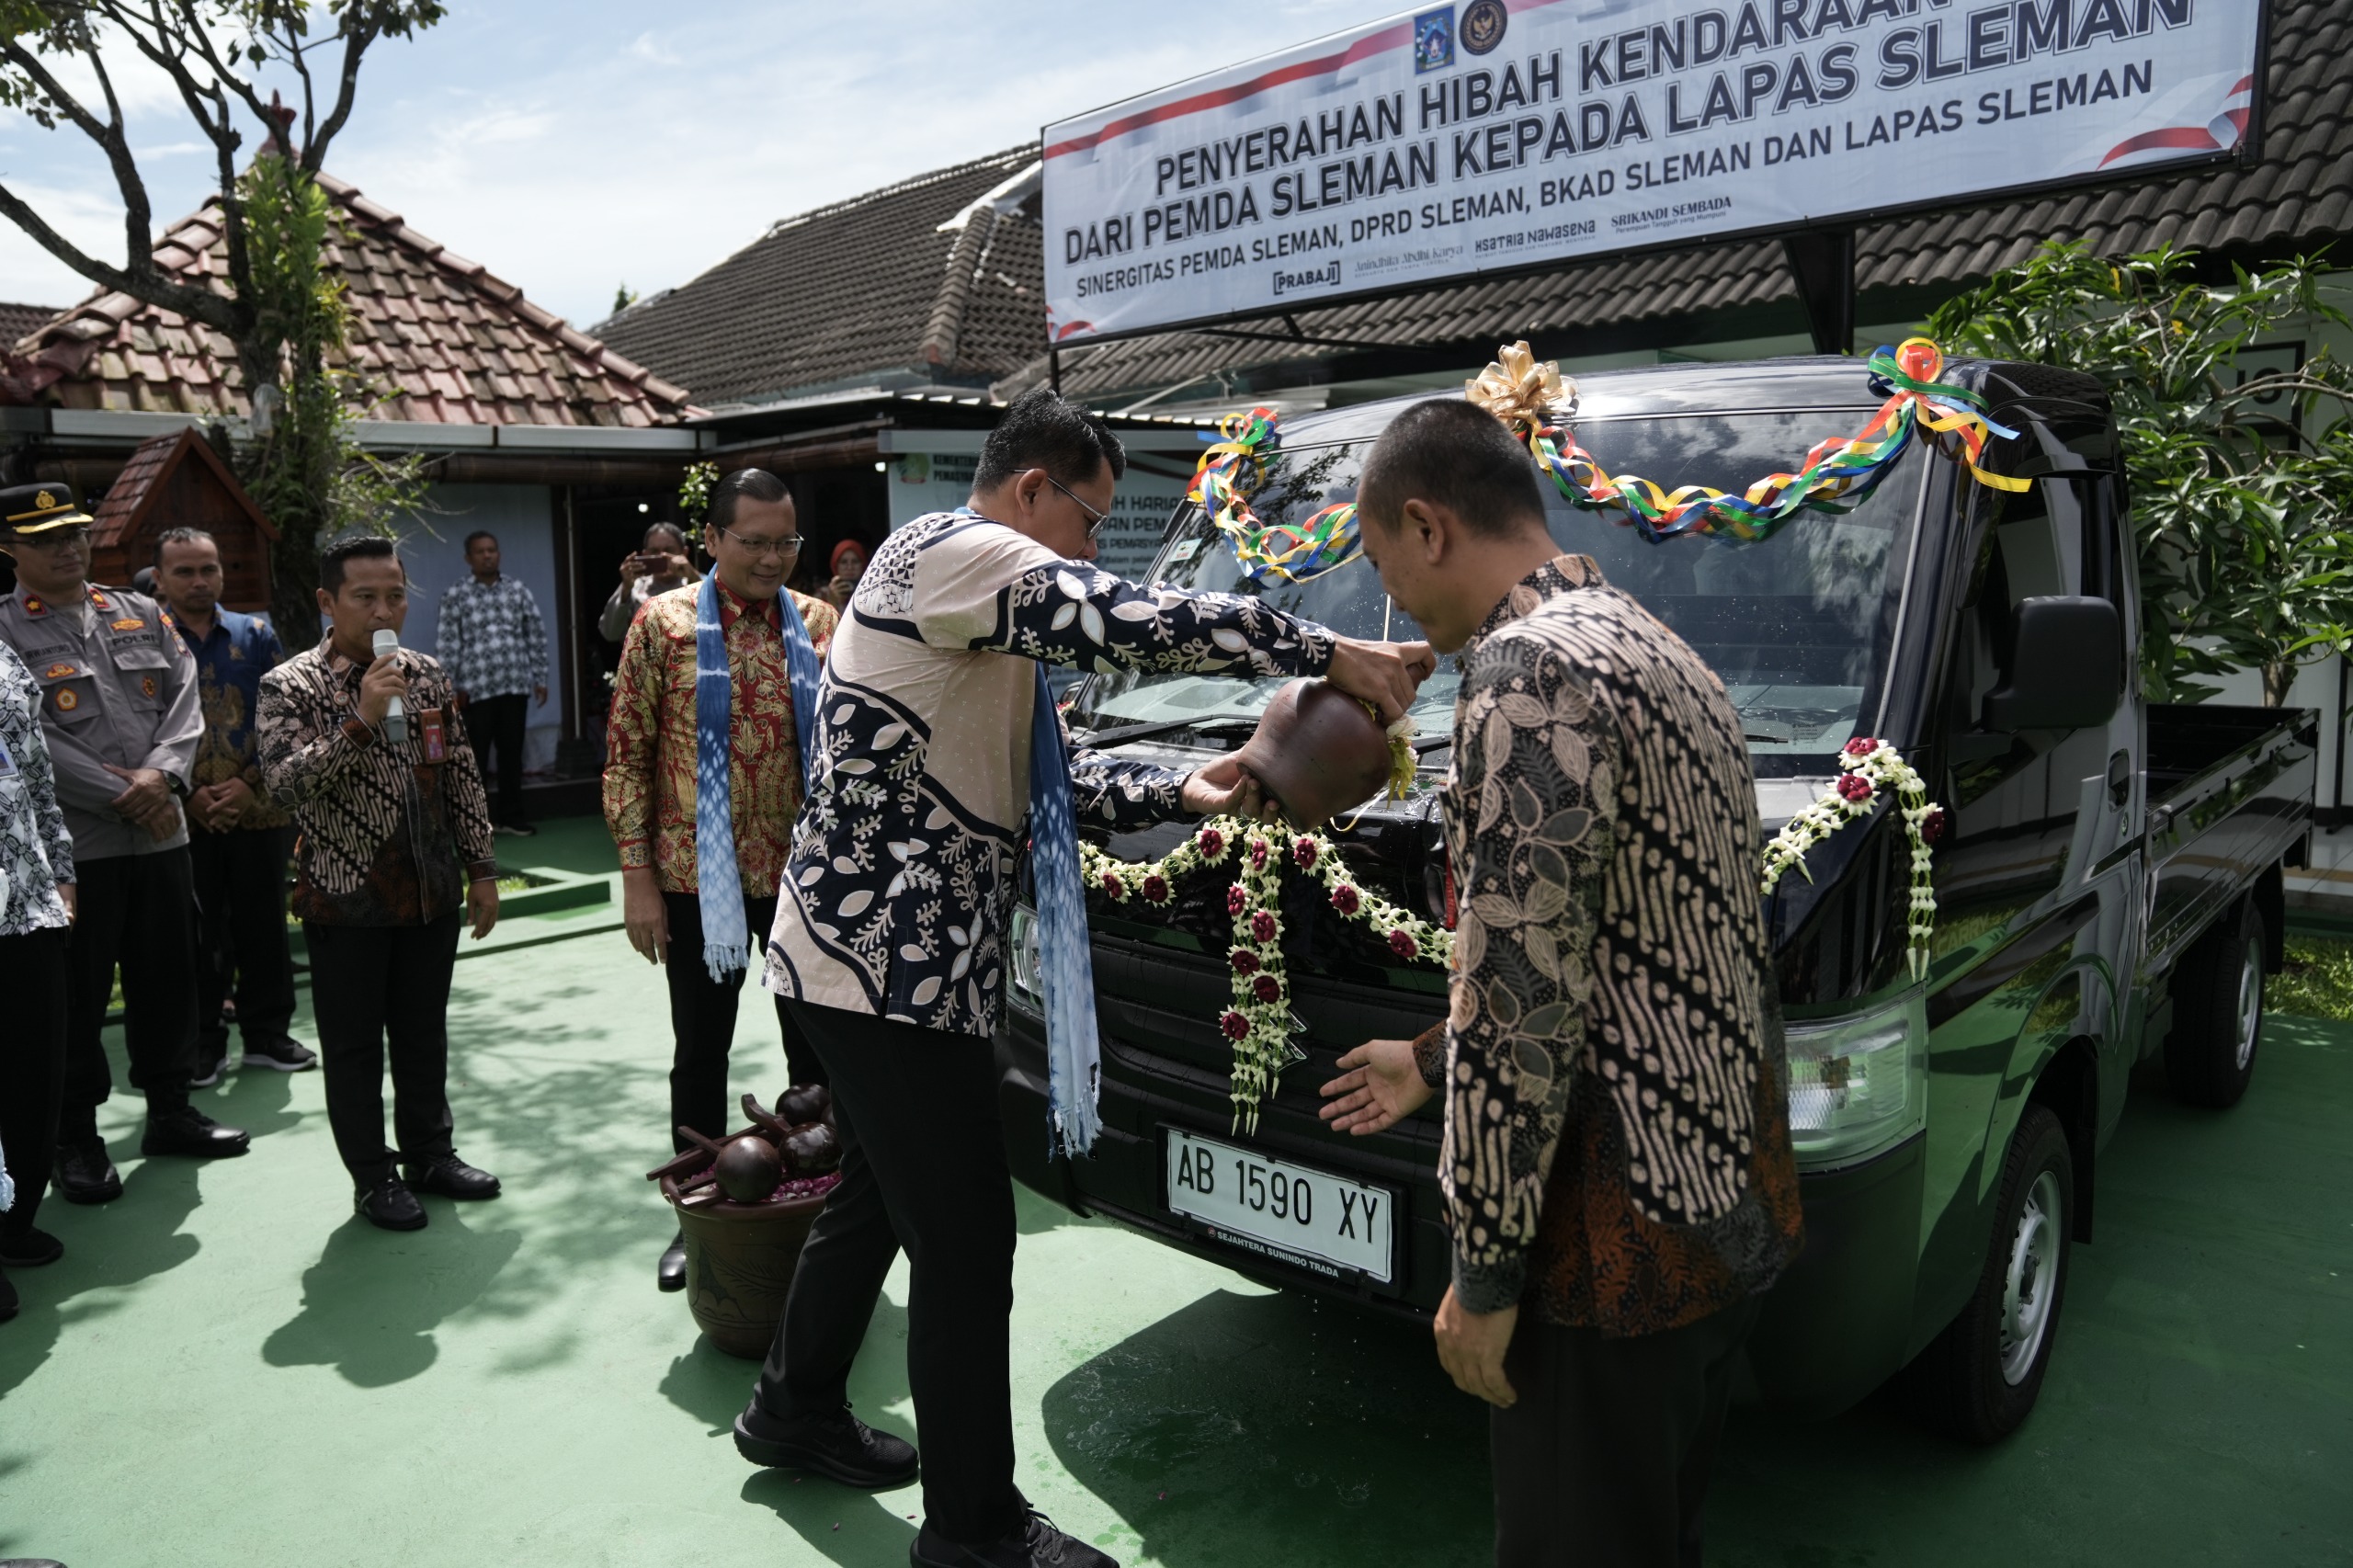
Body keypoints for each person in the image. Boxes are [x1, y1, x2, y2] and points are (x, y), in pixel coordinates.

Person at [749, 391, 1432, 1568]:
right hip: (883, 974)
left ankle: (791, 1405)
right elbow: (1119, 618)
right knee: (964, 1245)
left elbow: (1050, 784)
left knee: (877, 1197)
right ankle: (971, 1531)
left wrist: (1186, 789)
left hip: (870, 966)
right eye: (1088, 518)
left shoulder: (980, 617)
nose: (1091, 545)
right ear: (1031, 490)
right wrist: (1326, 649)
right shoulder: (950, 554)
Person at [1318, 399, 1803, 1568]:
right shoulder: (1653, 643)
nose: (1395, 605)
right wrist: (1428, 1059)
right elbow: (1636, 944)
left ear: (1428, 526)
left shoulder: (1528, 673)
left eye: (1384, 566)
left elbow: (1527, 1001)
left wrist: (1482, 1271)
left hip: (1608, 1238)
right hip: (1725, 1203)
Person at [603, 469, 839, 1292]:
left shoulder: (817, 622)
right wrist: (636, 877)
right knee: (701, 1050)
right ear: (712, 541)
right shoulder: (660, 625)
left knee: (814, 1051)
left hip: (804, 876)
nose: (773, 558)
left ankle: (822, 1207)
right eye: (755, 543)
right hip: (694, 881)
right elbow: (628, 751)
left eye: (787, 543)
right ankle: (697, 1207)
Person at [0, 483, 248, 1206]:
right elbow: (26, 738)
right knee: (75, 996)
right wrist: (122, 793)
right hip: (80, 850)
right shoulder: (6, 632)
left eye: (73, 533)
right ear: (9, 549)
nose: (67, 547)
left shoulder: (139, 611)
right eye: (45, 539)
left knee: (171, 973)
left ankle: (170, 1110)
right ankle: (75, 1136)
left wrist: (162, 776)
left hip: (162, 836)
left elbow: (185, 698)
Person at [257, 534, 504, 1233]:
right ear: (328, 603)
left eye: (394, 594)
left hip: (430, 892)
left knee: (424, 1036)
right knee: (357, 1046)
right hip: (345, 899)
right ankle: (373, 1177)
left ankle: (431, 1154)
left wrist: (480, 869)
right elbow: (281, 787)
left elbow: (458, 772)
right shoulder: (291, 685)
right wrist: (361, 718)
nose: (382, 608)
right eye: (364, 597)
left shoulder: (424, 673)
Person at [153, 527, 315, 1085]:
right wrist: (187, 792)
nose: (199, 581)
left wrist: (248, 784)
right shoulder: (144, 639)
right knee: (192, 933)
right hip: (176, 814)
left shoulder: (258, 634)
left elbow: (284, 716)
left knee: (263, 925)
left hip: (257, 807)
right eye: (185, 571)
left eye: (209, 569)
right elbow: (135, 728)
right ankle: (202, 1041)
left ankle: (268, 1034)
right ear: (160, 579)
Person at [0, 635, 77, 1311]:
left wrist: (62, 872)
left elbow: (34, 775)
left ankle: (12, 1216)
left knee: (33, 1072)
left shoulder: (3, 657)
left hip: (25, 906)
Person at [436, 529, 548, 837]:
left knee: (512, 756)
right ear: (468, 558)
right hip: (474, 690)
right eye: (481, 551)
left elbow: (535, 635)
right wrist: (449, 688)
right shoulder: (456, 594)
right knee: (475, 760)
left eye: (492, 550)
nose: (487, 555)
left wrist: (540, 677)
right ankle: (476, 824)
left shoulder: (517, 590)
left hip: (513, 685)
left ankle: (512, 817)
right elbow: (448, 644)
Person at [597, 521, 696, 643]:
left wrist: (693, 577)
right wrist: (626, 589)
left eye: (668, 550)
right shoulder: (634, 587)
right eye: (654, 551)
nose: (661, 556)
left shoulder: (698, 582)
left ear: (684, 552)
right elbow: (610, 633)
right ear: (645, 555)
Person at [821, 538, 866, 610]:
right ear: (835, 565)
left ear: (863, 565)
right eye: (844, 562)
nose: (850, 567)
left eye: (855, 561)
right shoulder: (822, 596)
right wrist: (833, 600)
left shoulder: (873, 595)